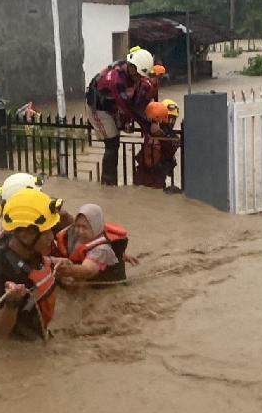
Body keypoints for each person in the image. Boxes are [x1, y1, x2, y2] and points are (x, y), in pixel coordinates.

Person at [0, 189, 62, 340]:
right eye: (47, 232)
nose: (52, 237)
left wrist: (56, 263)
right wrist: (11, 304)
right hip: (17, 351)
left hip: (41, 334)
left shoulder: (33, 250)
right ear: (25, 235)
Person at [85, 46, 160, 185]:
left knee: (115, 140)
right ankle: (108, 184)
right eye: (137, 75)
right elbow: (126, 106)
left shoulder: (132, 73)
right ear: (132, 67)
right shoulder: (115, 79)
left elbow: (134, 102)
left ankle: (110, 183)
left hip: (112, 105)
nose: (139, 79)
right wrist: (148, 126)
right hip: (98, 108)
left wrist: (126, 122)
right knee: (112, 143)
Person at [54, 204, 130, 284]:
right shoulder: (75, 232)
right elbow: (69, 224)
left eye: (84, 227)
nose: (80, 231)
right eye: (78, 226)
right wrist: (63, 214)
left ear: (96, 226)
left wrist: (68, 270)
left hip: (103, 287)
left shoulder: (102, 249)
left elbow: (89, 270)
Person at [133, 99, 181, 192]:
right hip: (147, 172)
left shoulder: (152, 129)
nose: (170, 121)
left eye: (173, 119)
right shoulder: (151, 129)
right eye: (168, 118)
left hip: (154, 174)